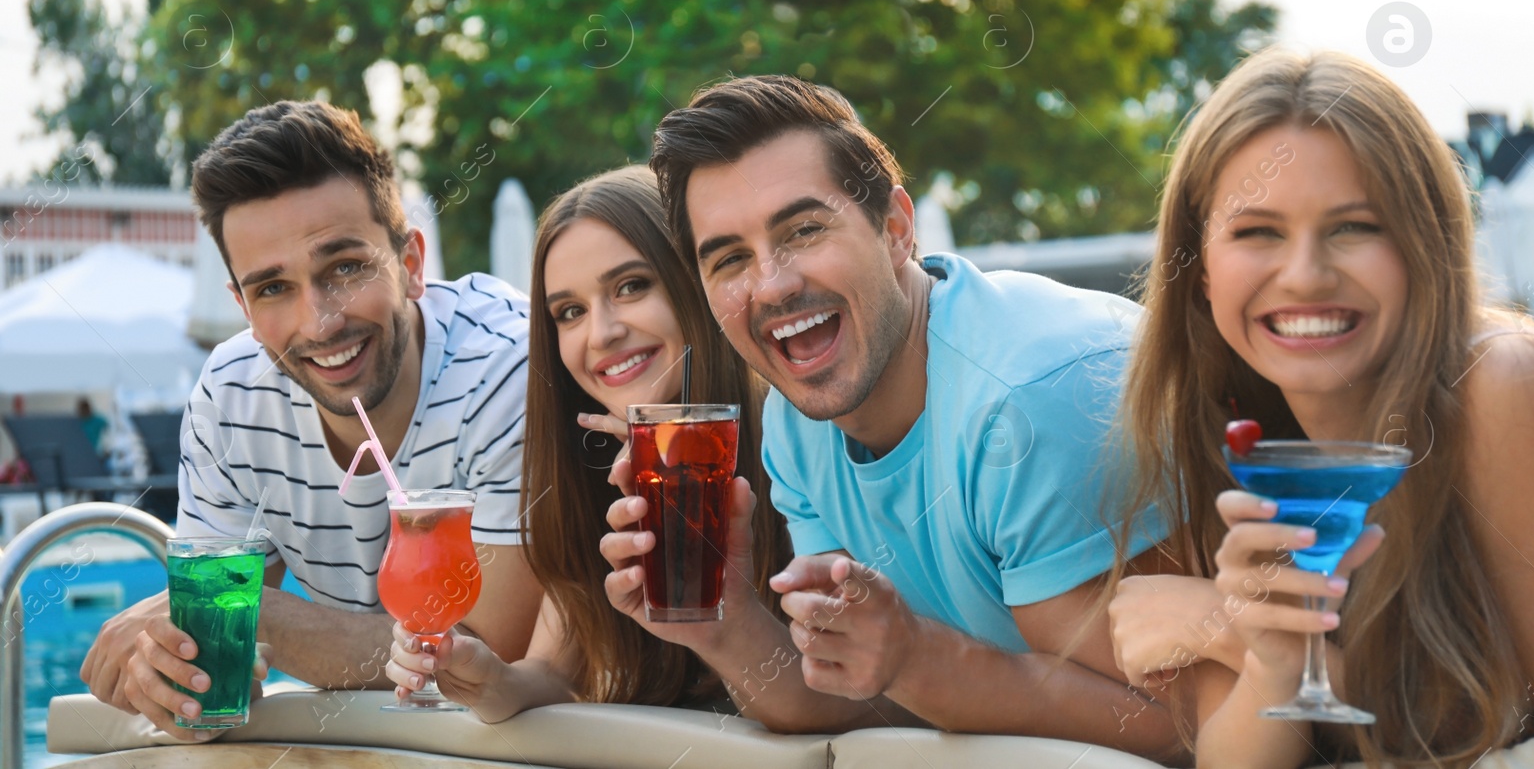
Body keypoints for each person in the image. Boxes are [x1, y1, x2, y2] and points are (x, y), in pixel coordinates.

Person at [600, 75, 1179, 757]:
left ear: (897, 228)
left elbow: (1178, 720)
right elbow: (856, 695)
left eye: (804, 229)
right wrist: (721, 618)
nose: (773, 283)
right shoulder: (798, 417)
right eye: (729, 259)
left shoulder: (1032, 401)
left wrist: (915, 656)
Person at [1104, 49, 1534, 767]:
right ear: (1201, 269)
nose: (1305, 274)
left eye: (1353, 227)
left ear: (1424, 244)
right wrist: (1274, 661)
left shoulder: (1504, 388)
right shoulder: (1226, 427)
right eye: (1257, 232)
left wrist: (1225, 626)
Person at [80, 100, 541, 738]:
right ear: (241, 305)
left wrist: (256, 614)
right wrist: (175, 679)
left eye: (345, 268)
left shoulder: (505, 369)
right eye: (273, 288)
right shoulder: (232, 397)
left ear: (410, 264)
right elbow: (216, 672)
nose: (319, 323)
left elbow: (488, 656)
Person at [384, 166, 788, 718]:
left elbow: (839, 707)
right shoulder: (604, 477)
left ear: (695, 278)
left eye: (631, 286)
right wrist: (483, 678)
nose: (601, 334)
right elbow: (548, 673)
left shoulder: (800, 447)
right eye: (569, 312)